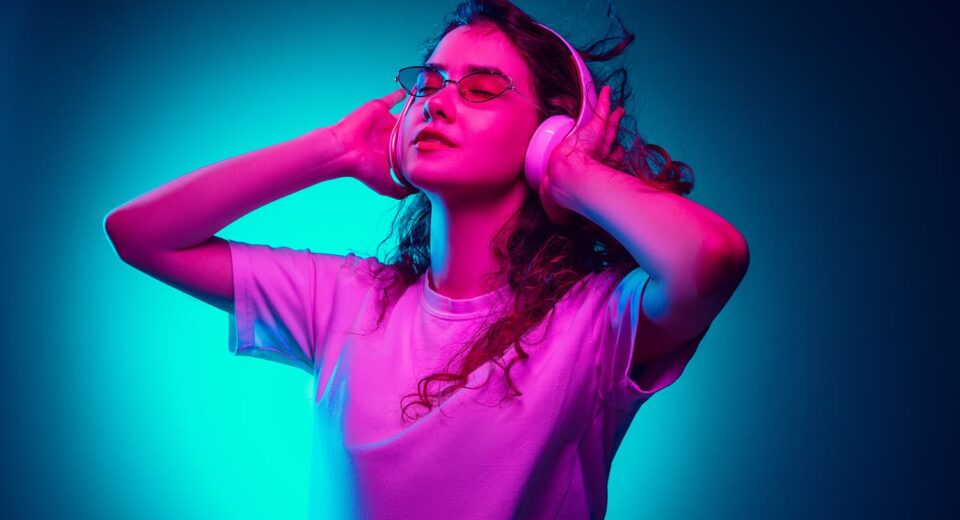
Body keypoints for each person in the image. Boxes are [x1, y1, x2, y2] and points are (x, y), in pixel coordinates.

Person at [104, 1, 749, 518]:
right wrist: (333, 150)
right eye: (429, 83)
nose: (437, 101)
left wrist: (571, 169)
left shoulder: (595, 324)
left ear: (548, 130)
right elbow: (140, 234)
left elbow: (712, 258)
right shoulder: (347, 300)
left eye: (481, 89)